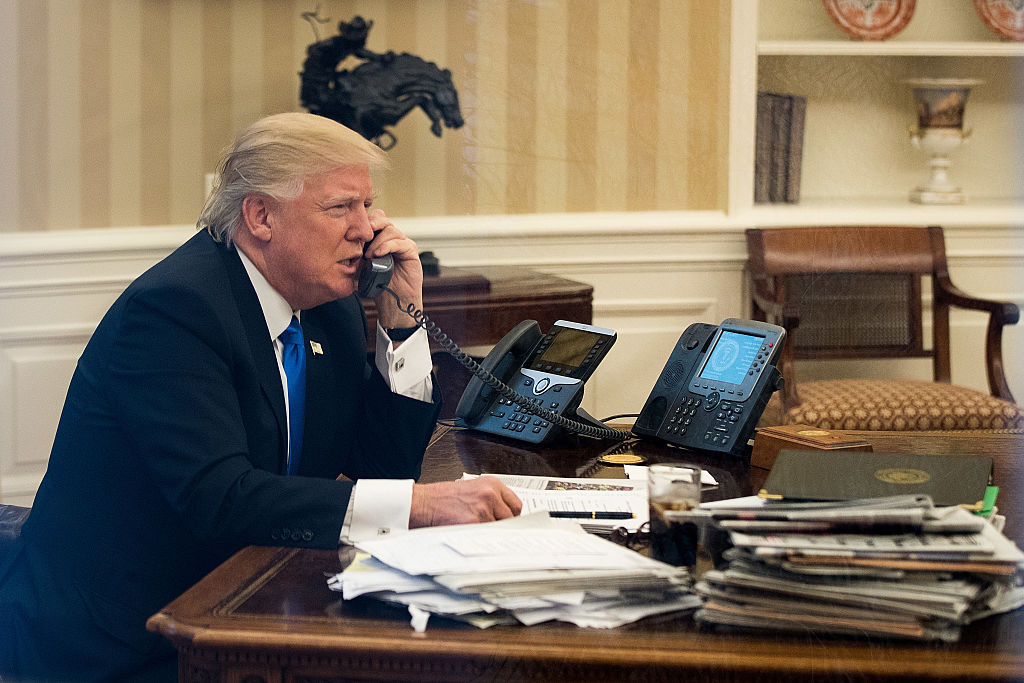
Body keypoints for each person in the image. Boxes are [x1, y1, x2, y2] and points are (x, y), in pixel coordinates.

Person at [0, 112, 521, 682]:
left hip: (247, 605)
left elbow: (384, 469)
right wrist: (420, 506)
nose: (367, 229)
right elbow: (222, 498)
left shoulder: (331, 307)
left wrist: (401, 327)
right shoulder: (175, 310)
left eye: (368, 205)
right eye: (341, 207)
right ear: (261, 216)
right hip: (124, 640)